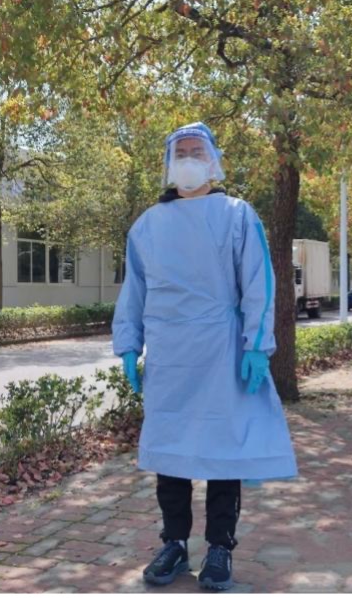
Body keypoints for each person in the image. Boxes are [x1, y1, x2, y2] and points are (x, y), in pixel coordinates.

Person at [112, 122, 298, 591]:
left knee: (222, 454)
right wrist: (129, 343)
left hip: (221, 351)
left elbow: (259, 282)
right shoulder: (147, 225)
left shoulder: (237, 215)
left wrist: (257, 345)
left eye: (197, 151)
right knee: (170, 453)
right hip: (169, 354)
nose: (189, 160)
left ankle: (220, 549)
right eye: (181, 153)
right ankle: (174, 543)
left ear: (213, 161)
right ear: (168, 164)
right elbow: (134, 289)